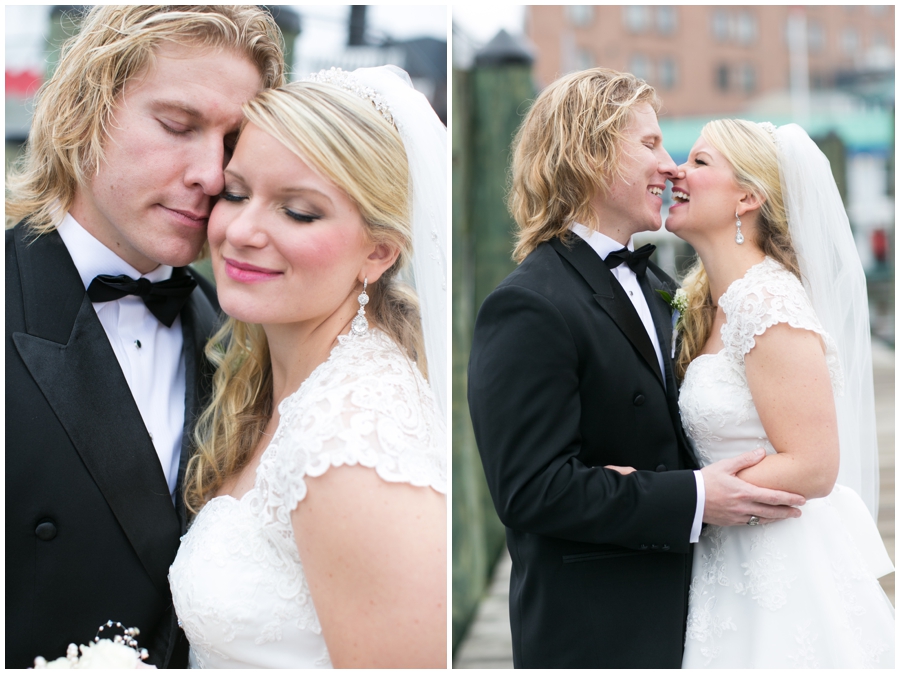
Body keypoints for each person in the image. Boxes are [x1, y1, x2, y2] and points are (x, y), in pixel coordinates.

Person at [467, 68, 807, 668]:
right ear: (590, 151)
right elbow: (531, 490)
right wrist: (695, 496)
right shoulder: (529, 303)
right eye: (650, 144)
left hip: (696, 613)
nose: (670, 165)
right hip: (597, 632)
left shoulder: (654, 283)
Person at [5, 6, 284, 668]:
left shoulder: (243, 339)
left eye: (232, 142)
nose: (211, 176)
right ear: (84, 112)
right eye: (178, 126)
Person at [167, 66, 448, 668]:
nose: (241, 231)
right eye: (236, 194)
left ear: (377, 252)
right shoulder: (277, 379)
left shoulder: (352, 444)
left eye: (297, 212)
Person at [666, 119, 894, 668]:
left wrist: (684, 495)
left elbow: (814, 466)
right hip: (727, 560)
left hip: (782, 565)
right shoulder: (709, 300)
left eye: (699, 162)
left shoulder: (767, 302)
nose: (676, 170)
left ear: (747, 196)